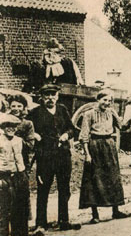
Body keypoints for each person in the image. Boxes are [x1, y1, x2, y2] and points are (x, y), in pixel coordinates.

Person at [27, 84, 81, 233]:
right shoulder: (35, 113)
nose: (50, 98)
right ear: (42, 98)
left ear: (57, 96)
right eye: (47, 95)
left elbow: (71, 129)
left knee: (64, 188)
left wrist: (66, 135)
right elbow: (25, 128)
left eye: (53, 95)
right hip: (45, 156)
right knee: (43, 188)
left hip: (63, 155)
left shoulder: (62, 110)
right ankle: (41, 223)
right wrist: (34, 135)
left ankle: (64, 220)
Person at [78, 89, 130, 223]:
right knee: (94, 179)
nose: (107, 103)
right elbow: (84, 136)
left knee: (113, 177)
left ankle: (116, 210)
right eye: (104, 100)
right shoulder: (88, 114)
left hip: (109, 146)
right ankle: (95, 215)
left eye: (109, 101)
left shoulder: (111, 112)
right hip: (95, 146)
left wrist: (125, 117)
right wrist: (87, 154)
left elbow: (121, 127)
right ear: (98, 100)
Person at [7, 94, 36, 235]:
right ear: (9, 106)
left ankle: (21, 231)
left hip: (21, 166)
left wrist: (15, 139)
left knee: (21, 199)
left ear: (24, 107)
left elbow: (31, 145)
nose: (16, 108)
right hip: (4, 166)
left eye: (19, 106)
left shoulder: (27, 124)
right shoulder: (2, 120)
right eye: (13, 106)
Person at [0, 114, 27, 236]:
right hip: (3, 176)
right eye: (7, 126)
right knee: (4, 209)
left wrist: (23, 174)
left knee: (19, 208)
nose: (10, 129)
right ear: (3, 127)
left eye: (13, 126)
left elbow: (23, 158)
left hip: (18, 176)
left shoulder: (19, 141)